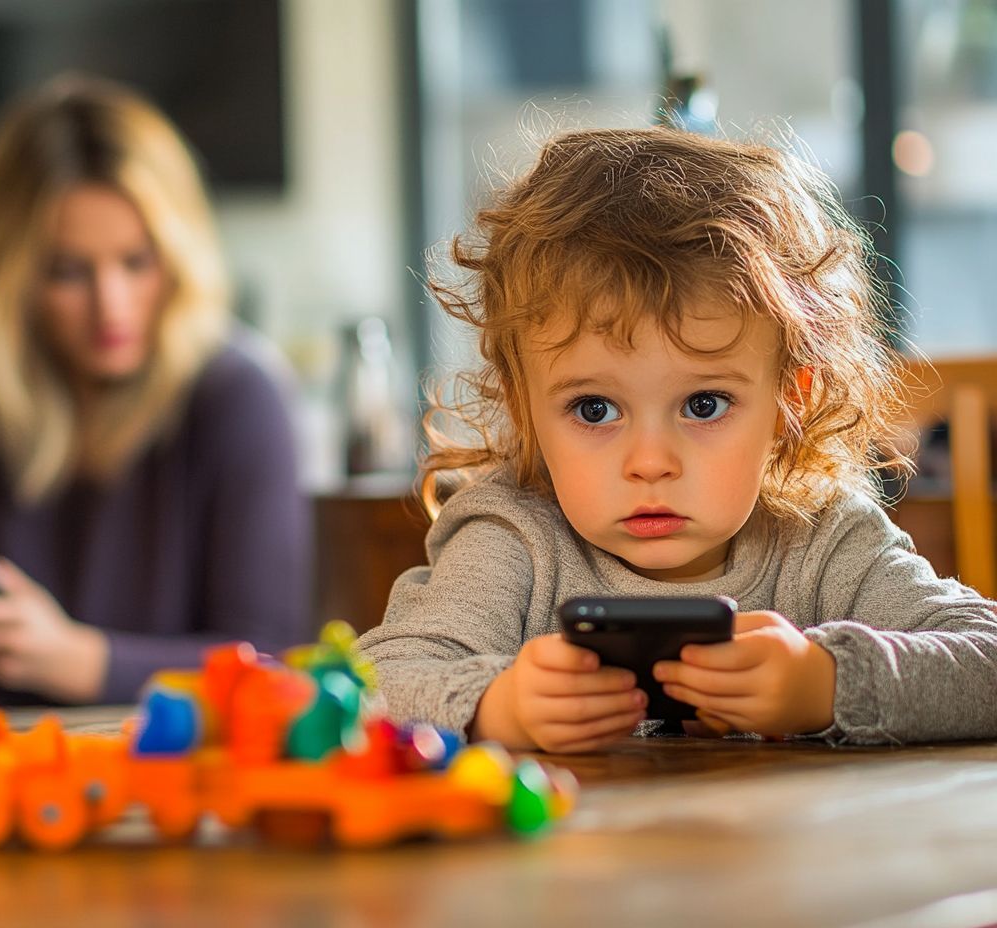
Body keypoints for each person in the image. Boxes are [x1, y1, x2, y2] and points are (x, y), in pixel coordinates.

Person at [356, 126, 997, 752]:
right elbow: (367, 690)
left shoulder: (822, 539)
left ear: (787, 403)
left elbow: (985, 663)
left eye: (703, 403)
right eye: (595, 408)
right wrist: (498, 707)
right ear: (526, 410)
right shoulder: (513, 539)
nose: (651, 463)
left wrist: (825, 683)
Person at [0, 75, 311, 707]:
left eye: (136, 262)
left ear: (178, 256)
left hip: (169, 763)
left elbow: (274, 661)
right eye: (66, 272)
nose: (110, 307)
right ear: (12, 277)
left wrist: (75, 661)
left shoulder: (240, 395)